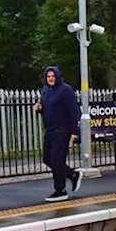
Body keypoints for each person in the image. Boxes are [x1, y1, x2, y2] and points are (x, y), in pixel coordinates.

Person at [34, 65, 81, 202]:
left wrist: (74, 132)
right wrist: (39, 109)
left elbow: (74, 111)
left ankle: (60, 190)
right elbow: (46, 108)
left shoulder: (66, 90)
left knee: (57, 160)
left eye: (53, 76)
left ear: (58, 76)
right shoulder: (46, 91)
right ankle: (72, 174)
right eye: (48, 76)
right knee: (47, 158)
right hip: (50, 130)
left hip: (62, 130)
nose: (51, 78)